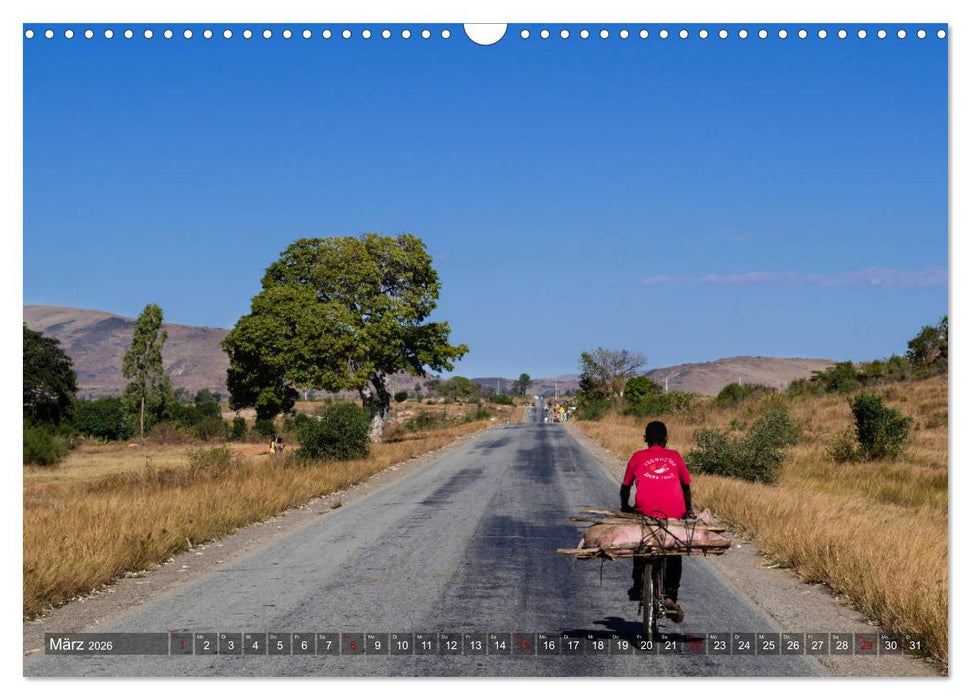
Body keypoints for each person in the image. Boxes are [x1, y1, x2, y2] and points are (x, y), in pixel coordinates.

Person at [620, 420, 694, 622]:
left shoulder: (637, 457)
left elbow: (625, 488)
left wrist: (625, 506)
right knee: (674, 549)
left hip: (645, 510)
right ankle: (670, 595)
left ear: (645, 439)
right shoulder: (675, 456)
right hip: (674, 512)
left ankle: (638, 584)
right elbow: (686, 487)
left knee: (641, 544)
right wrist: (688, 510)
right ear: (666, 439)